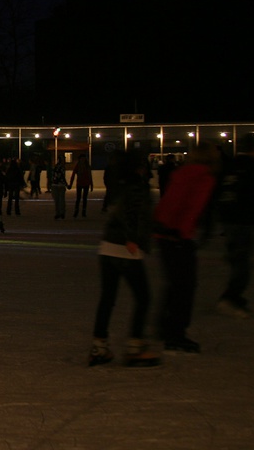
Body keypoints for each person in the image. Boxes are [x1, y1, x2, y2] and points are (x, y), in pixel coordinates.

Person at [88, 150, 160, 368]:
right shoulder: (137, 185)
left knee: (108, 298)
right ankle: (135, 348)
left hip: (108, 246)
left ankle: (99, 346)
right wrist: (132, 239)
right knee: (143, 297)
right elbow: (132, 213)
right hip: (125, 248)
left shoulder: (118, 185)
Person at [153, 141, 220, 353]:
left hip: (164, 232)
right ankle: (175, 334)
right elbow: (192, 207)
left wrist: (163, 227)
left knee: (175, 284)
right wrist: (182, 233)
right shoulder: (204, 177)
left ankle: (164, 326)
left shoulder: (182, 173)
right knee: (185, 286)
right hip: (177, 236)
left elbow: (169, 201)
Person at [216, 135, 254, 318]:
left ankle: (234, 295)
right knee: (242, 263)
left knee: (239, 258)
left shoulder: (230, 166)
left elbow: (218, 190)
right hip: (243, 219)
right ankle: (230, 298)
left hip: (230, 218)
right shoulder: (252, 167)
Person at [68, 153, 94, 218]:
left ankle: (83, 211)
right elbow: (73, 175)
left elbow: (90, 176)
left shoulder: (87, 166)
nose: (83, 160)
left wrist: (91, 184)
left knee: (85, 198)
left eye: (84, 158)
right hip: (79, 183)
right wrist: (70, 184)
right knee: (78, 198)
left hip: (86, 184)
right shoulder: (77, 166)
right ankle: (76, 211)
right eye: (82, 159)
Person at [51, 155, 69, 220]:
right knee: (61, 200)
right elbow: (62, 177)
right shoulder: (62, 167)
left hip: (55, 185)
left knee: (57, 200)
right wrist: (66, 185)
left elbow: (53, 176)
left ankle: (58, 213)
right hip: (60, 185)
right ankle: (62, 213)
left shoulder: (55, 167)